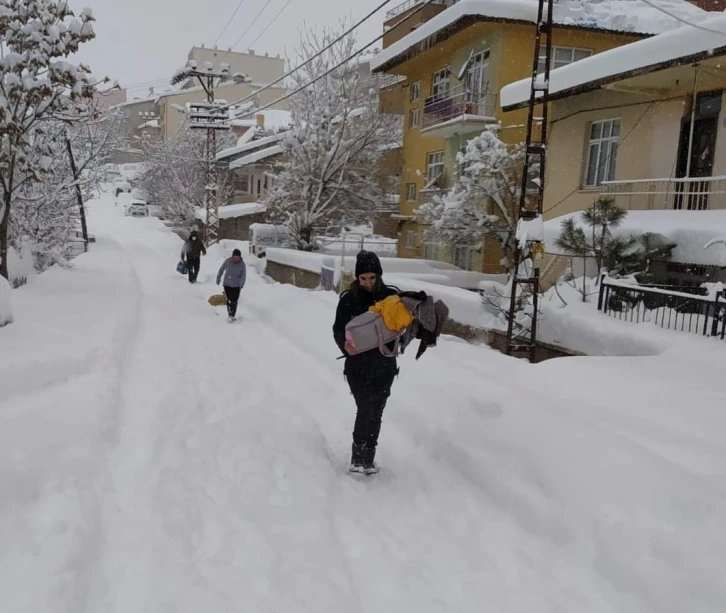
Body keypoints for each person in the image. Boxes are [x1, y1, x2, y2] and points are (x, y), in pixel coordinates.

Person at [333, 251, 399, 475]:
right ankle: (357, 457)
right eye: (363, 278)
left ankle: (369, 457)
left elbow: (402, 326)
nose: (368, 283)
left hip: (384, 366)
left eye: (372, 277)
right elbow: (338, 328)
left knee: (377, 410)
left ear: (378, 275)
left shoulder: (391, 298)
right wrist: (344, 344)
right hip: (357, 366)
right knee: (365, 407)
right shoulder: (348, 300)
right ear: (357, 277)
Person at [216, 248, 247, 322]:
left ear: (240, 257)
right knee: (230, 300)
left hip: (237, 285)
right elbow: (221, 269)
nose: (236, 259)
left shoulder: (242, 264)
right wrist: (218, 278)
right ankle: (230, 315)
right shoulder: (228, 261)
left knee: (235, 301)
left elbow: (243, 275)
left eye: (237, 257)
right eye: (234, 257)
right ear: (232, 256)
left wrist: (241, 284)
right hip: (227, 284)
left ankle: (233, 315)